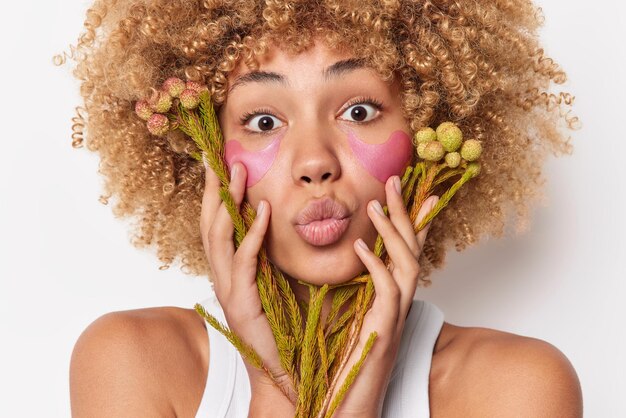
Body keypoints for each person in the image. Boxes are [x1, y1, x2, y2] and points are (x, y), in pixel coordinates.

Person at [66, 1, 583, 416]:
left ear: (430, 125)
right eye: (264, 122)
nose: (315, 162)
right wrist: (276, 392)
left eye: (358, 112)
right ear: (206, 158)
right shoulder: (133, 361)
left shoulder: (516, 389)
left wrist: (367, 377)